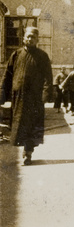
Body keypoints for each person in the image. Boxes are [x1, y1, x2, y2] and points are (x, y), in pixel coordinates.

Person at [0, 27, 53, 165]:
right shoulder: (16, 55)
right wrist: (2, 93)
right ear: (24, 38)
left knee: (32, 125)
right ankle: (24, 150)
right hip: (18, 97)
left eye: (33, 37)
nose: (30, 39)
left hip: (34, 98)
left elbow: (48, 77)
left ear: (37, 40)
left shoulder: (42, 56)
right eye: (28, 36)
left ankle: (28, 153)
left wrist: (45, 94)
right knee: (18, 125)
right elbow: (7, 75)